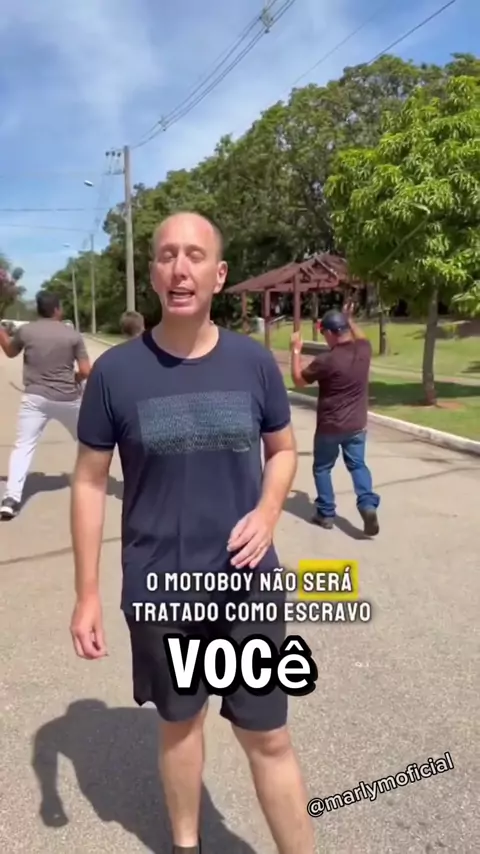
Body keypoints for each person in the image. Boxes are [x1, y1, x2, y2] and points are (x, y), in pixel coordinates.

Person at [69, 211, 315, 854]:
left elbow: (284, 450)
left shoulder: (253, 363)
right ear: (153, 272)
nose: (181, 269)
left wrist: (268, 512)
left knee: (268, 734)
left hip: (247, 588)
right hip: (161, 589)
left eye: (195, 256)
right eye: (167, 255)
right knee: (180, 725)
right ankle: (186, 844)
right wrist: (87, 593)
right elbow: (89, 482)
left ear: (219, 273)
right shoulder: (115, 373)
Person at [290, 302, 380, 536]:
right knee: (358, 465)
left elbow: (298, 380)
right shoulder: (363, 350)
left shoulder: (327, 360)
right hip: (357, 425)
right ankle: (367, 505)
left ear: (330, 333)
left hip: (330, 426)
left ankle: (326, 514)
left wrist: (296, 350)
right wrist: (349, 318)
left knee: (322, 468)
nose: (325, 339)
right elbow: (361, 336)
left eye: (324, 334)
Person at [0, 292, 91, 520]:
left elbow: (10, 351)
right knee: (88, 440)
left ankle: (10, 500)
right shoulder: (72, 335)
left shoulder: (26, 331)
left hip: (35, 399)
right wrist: (76, 378)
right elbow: (86, 370)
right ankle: (90, 482)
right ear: (57, 309)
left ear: (38, 309)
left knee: (23, 447)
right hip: (68, 399)